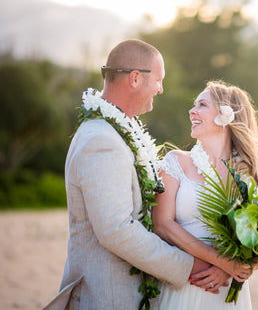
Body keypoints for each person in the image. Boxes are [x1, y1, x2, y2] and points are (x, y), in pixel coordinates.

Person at [43, 39, 218, 310]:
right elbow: (116, 230)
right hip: (109, 295)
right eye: (158, 80)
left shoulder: (121, 130)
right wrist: (190, 265)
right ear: (135, 78)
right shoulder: (100, 140)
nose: (161, 89)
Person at [152, 80, 258, 309]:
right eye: (194, 105)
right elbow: (162, 224)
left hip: (226, 292)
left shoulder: (251, 173)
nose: (191, 111)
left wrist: (229, 271)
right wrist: (222, 262)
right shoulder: (175, 162)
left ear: (226, 116)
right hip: (184, 282)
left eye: (201, 105)